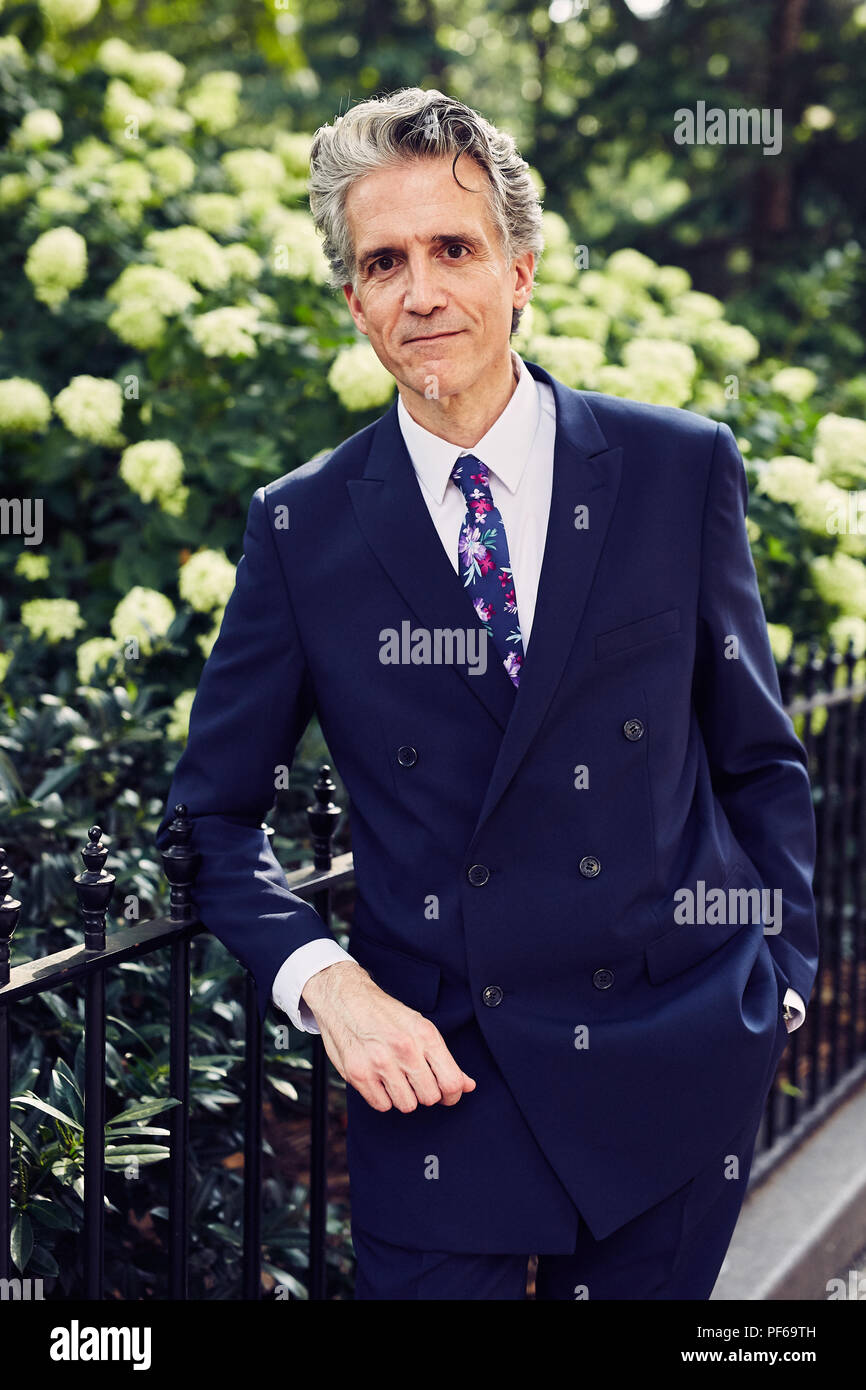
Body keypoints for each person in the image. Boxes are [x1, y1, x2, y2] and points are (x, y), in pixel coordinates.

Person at [156, 87, 818, 1300]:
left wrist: (776, 978)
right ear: (352, 299)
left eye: (453, 249)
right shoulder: (301, 530)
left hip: (672, 1060)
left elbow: (755, 755)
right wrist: (329, 987)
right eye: (384, 261)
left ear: (518, 270)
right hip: (437, 1077)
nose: (420, 291)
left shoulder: (676, 470)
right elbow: (207, 820)